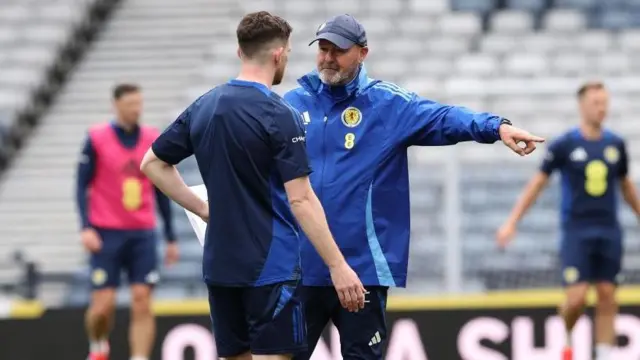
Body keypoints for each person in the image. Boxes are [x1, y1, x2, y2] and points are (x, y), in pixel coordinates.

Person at [283, 13, 545, 360]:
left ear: (363, 53)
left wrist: (497, 128)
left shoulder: (388, 105)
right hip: (300, 266)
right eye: (324, 49)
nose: (328, 58)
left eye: (339, 51)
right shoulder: (291, 103)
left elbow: (446, 118)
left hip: (362, 271)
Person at [140, 11, 365, 360]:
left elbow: (152, 164)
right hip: (270, 269)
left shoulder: (205, 105)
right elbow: (301, 199)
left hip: (220, 267)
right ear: (278, 54)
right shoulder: (278, 114)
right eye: (288, 53)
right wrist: (338, 265)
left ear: (239, 52)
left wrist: (201, 207)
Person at [497, 82, 640, 360]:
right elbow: (537, 184)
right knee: (576, 299)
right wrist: (511, 222)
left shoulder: (615, 144)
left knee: (608, 294)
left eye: (605, 102)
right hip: (577, 231)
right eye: (597, 103)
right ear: (583, 105)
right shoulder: (565, 144)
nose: (602, 108)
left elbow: (626, 186)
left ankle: (604, 353)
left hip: (609, 230)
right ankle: (567, 333)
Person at [76, 83, 179, 360]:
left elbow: (162, 189)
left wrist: (170, 236)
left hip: (142, 232)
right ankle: (98, 346)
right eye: (131, 104)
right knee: (102, 305)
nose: (136, 109)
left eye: (139, 104)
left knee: (142, 300)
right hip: (106, 232)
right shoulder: (96, 138)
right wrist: (85, 227)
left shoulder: (151, 138)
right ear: (116, 105)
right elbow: (80, 185)